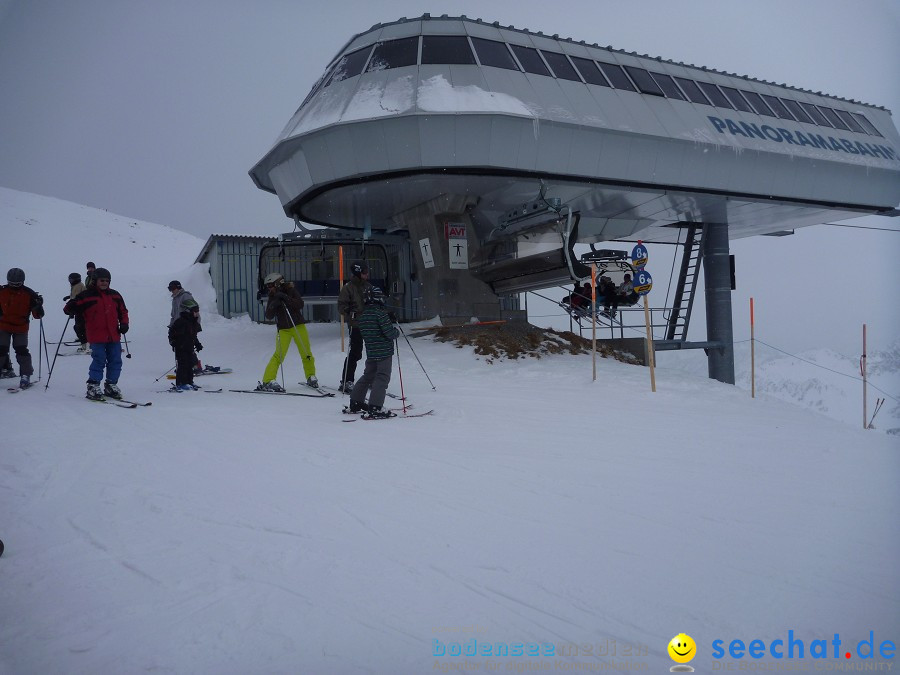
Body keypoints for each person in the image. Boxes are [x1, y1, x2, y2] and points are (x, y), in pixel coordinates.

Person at [63, 267, 129, 401]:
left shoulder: (115, 295)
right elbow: (69, 309)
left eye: (107, 281)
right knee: (99, 360)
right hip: (96, 335)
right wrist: (71, 305)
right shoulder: (87, 295)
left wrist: (124, 323)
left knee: (116, 360)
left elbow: (123, 311)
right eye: (101, 280)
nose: (104, 283)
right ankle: (93, 385)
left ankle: (111, 384)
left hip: (113, 335)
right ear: (95, 281)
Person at [256, 272, 317, 392]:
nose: (269, 288)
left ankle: (311, 376)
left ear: (278, 283)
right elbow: (268, 315)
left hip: (297, 326)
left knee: (306, 352)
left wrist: (285, 298)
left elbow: (299, 304)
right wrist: (274, 303)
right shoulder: (273, 296)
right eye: (268, 286)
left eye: (271, 285)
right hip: (283, 329)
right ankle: (268, 379)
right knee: (278, 355)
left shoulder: (291, 290)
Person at [347, 287, 400, 418]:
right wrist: (396, 331)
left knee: (368, 376)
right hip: (384, 352)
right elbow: (389, 333)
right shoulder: (380, 314)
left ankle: (356, 401)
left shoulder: (363, 315)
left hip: (371, 351)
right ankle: (376, 406)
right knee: (382, 377)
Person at [0, 268, 45, 389]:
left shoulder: (29, 294)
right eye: (12, 284)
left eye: (18, 284)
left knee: (21, 350)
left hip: (21, 327)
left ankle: (25, 375)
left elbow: (37, 316)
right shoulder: (2, 291)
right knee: (1, 349)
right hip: (3, 325)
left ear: (23, 282)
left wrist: (38, 306)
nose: (14, 286)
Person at [337, 262, 371, 393]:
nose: (367, 275)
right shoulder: (348, 288)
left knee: (373, 352)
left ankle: (371, 377)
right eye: (364, 272)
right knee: (355, 352)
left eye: (367, 272)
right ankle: (347, 380)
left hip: (369, 324)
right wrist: (350, 312)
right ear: (357, 273)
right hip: (356, 325)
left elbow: (375, 302)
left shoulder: (368, 287)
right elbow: (341, 306)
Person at [167, 280, 203, 373]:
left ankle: (195, 366)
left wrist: (193, 324)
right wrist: (172, 326)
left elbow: (194, 310)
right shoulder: (175, 299)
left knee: (187, 346)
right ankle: (183, 366)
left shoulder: (185, 296)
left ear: (178, 287)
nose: (171, 291)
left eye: (173, 288)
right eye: (170, 289)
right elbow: (174, 315)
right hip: (179, 327)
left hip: (188, 326)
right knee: (180, 346)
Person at [168, 298, 203, 391]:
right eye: (195, 311)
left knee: (190, 364)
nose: (197, 313)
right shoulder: (181, 322)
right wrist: (174, 343)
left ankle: (189, 381)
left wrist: (197, 344)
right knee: (182, 365)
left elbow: (193, 336)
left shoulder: (193, 322)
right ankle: (181, 383)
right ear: (188, 311)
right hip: (181, 347)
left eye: (198, 311)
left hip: (189, 347)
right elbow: (171, 333)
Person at [64, 272, 89, 353]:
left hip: (81, 310)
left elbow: (76, 300)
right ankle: (85, 345)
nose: (70, 281)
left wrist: (71, 310)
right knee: (79, 327)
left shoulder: (78, 286)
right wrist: (68, 297)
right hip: (80, 310)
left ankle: (86, 346)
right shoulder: (76, 286)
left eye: (71, 279)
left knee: (80, 328)